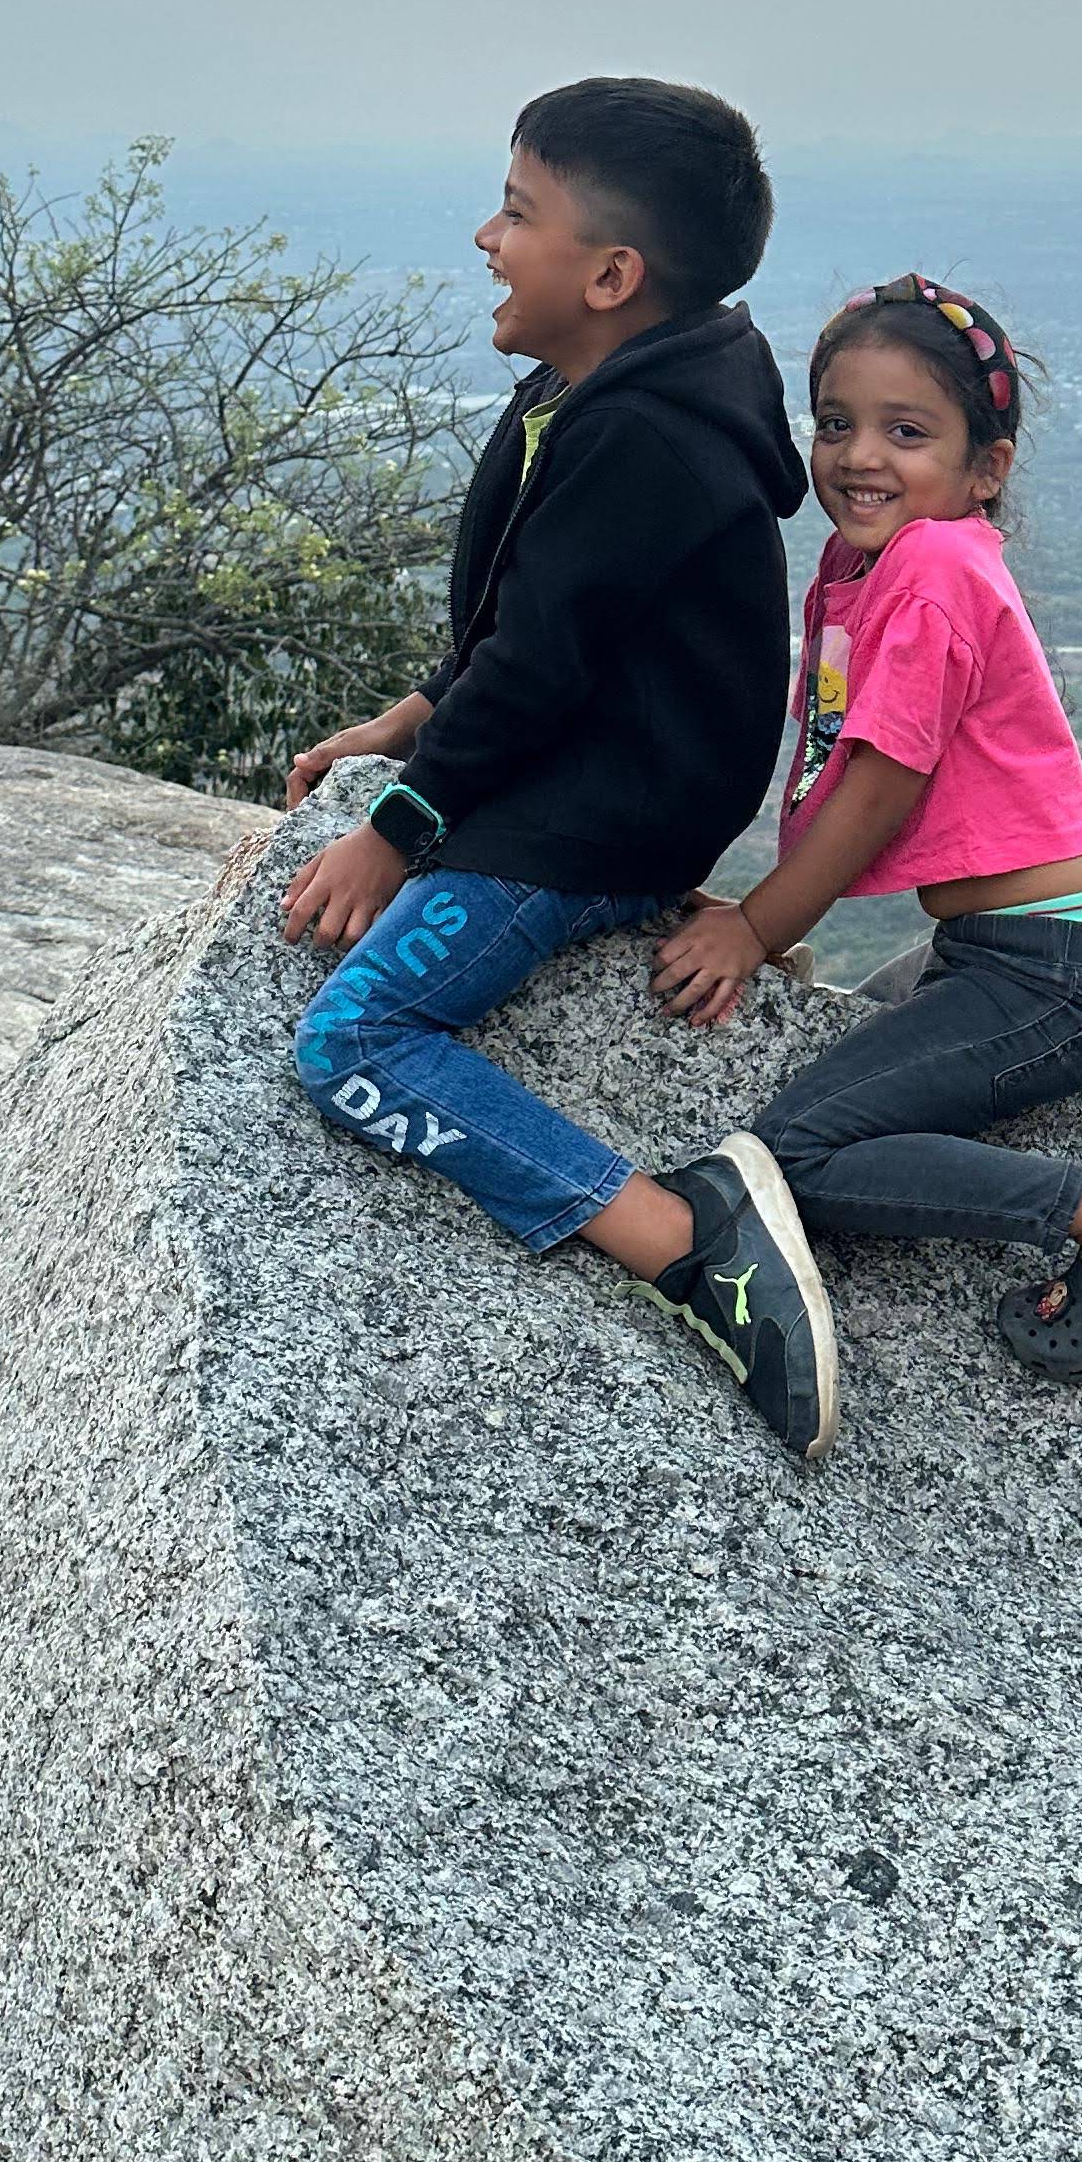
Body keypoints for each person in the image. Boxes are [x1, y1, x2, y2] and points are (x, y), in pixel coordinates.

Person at [278, 79, 842, 1460]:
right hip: (582, 771)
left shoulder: (644, 435)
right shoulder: (595, 388)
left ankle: (685, 1237)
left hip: (596, 816)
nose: (485, 235)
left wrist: (397, 829)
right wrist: (405, 721)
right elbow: (536, 627)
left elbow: (538, 673)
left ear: (610, 274)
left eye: (517, 212)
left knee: (354, 1040)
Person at [653, 272, 1082, 1398]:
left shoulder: (926, 571)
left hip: (1046, 968)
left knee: (798, 1155)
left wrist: (757, 932)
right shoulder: (885, 560)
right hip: (1018, 952)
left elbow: (879, 787)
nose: (859, 455)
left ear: (986, 469)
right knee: (878, 1036)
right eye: (835, 424)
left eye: (906, 432)